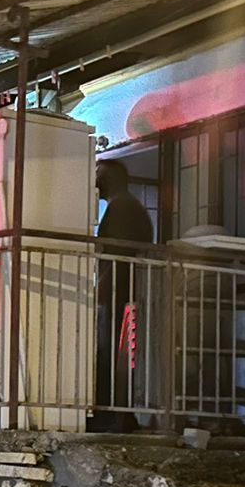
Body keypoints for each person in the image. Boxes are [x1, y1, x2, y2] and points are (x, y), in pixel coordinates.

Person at [93, 159, 154, 433]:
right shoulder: (126, 206)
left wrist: (101, 289)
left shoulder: (122, 208)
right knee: (115, 354)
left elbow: (118, 255)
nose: (95, 178)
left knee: (112, 354)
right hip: (124, 290)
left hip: (121, 292)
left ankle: (113, 415)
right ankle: (116, 414)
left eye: (99, 173)